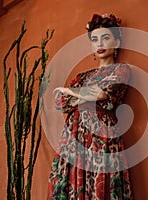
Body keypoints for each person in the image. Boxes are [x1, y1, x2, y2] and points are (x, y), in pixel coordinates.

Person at [47, 13, 134, 200]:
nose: (99, 44)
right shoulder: (81, 76)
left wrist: (71, 91)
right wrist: (83, 95)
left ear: (117, 42)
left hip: (102, 134)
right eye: (94, 40)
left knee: (100, 184)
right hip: (73, 136)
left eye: (105, 37)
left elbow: (103, 93)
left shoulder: (121, 70)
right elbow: (59, 102)